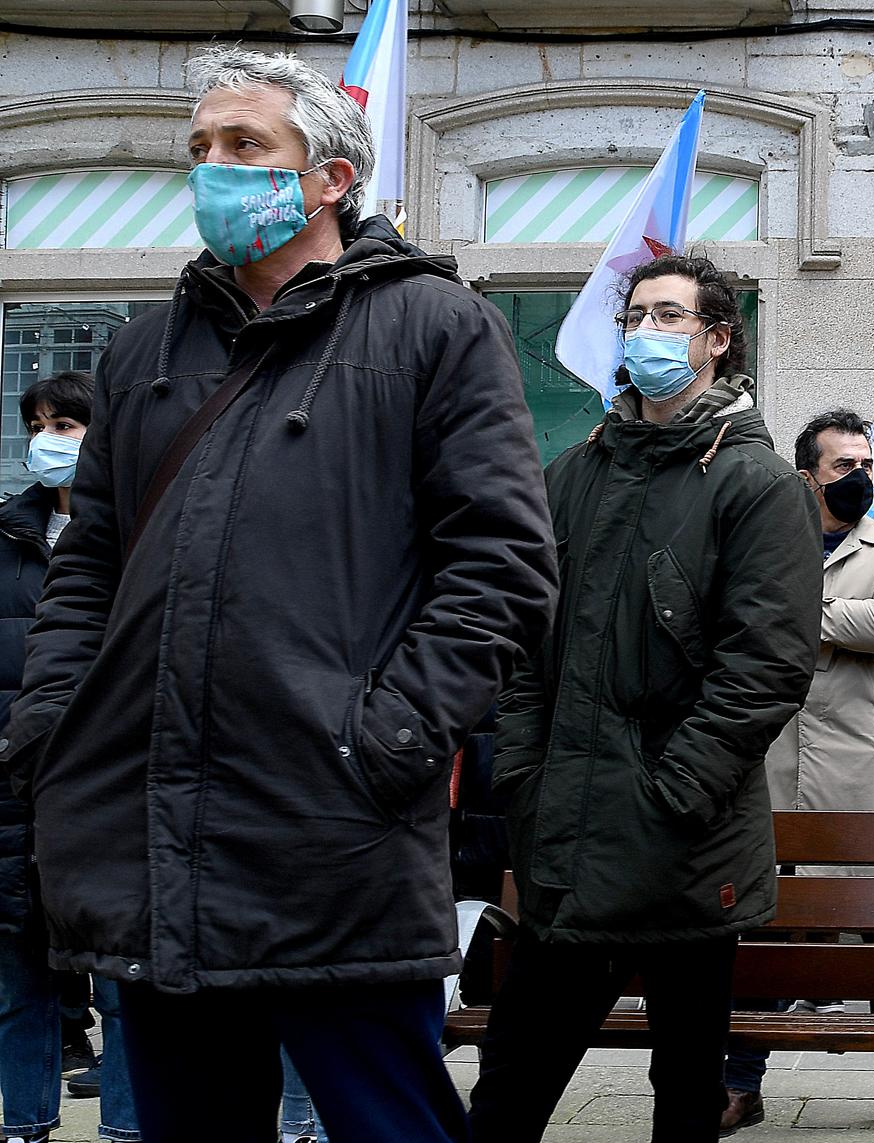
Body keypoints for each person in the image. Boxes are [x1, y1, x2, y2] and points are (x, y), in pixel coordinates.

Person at [0, 46, 559, 1143]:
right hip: (152, 834)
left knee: (388, 1123)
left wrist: (382, 741)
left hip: (328, 831)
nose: (214, 167)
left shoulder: (433, 328)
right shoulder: (143, 352)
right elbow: (90, 565)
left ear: (330, 179)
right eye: (201, 148)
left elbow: (500, 566)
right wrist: (52, 732)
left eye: (245, 146)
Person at [466, 252, 820, 1143]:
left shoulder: (758, 484)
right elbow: (524, 643)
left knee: (685, 1094)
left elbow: (768, 666)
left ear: (717, 339)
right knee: (510, 1085)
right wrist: (525, 772)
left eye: (667, 317)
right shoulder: (576, 473)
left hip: (685, 852)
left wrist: (673, 793)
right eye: (633, 318)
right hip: (566, 839)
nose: (644, 333)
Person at [721, 408, 874, 1139]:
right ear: (807, 477)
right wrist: (835, 615)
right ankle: (740, 1085)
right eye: (845, 466)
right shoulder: (766, 543)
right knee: (763, 943)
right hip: (772, 774)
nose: (861, 477)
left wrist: (793, 612)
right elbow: (729, 623)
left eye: (866, 463)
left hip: (865, 783)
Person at [0, 372, 137, 1143]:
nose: (52, 438)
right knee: (20, 981)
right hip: (16, 790)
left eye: (70, 424)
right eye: (41, 423)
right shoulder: (6, 538)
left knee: (122, 982)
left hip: (108, 786)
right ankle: (25, 1122)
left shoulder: (137, 534)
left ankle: (126, 1125)